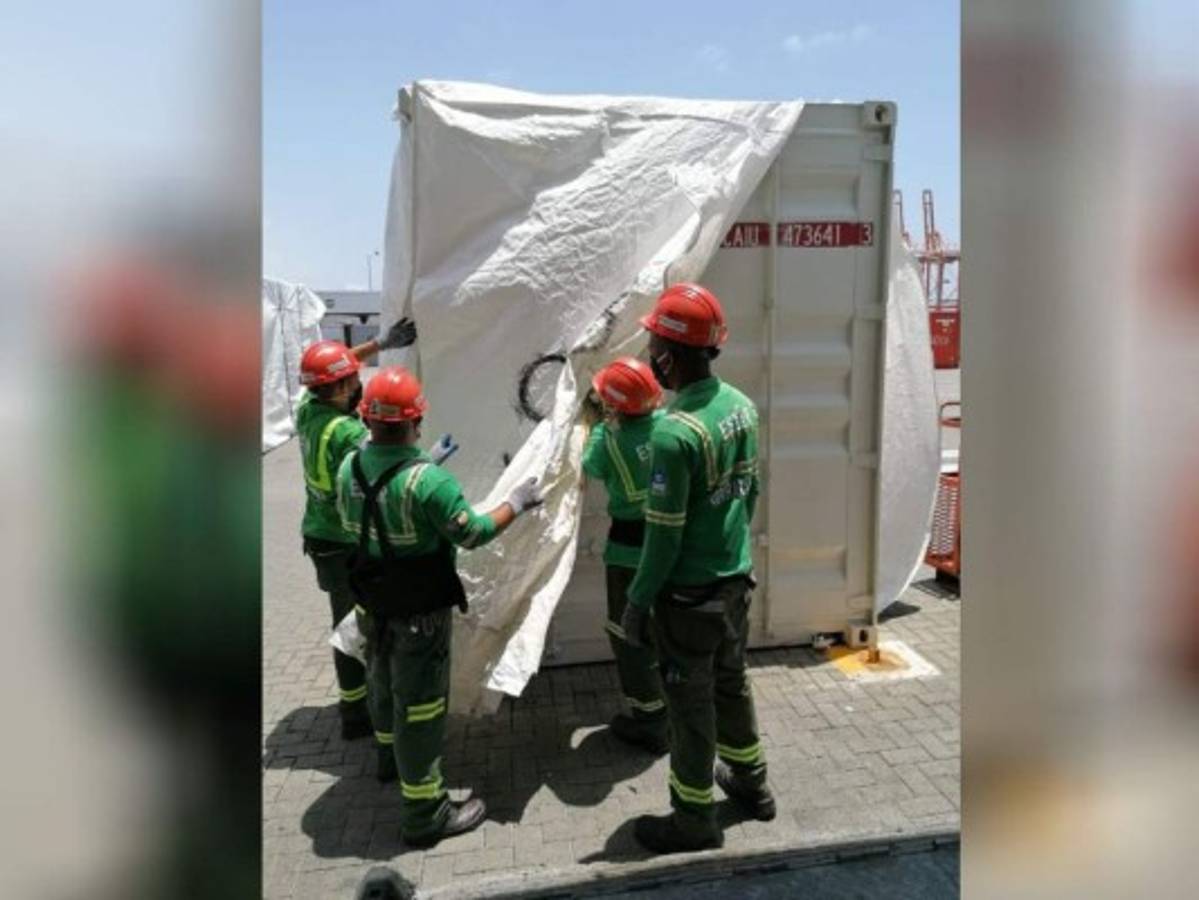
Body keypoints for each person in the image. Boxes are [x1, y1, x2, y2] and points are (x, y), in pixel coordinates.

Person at [336, 366, 543, 847]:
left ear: (368, 419)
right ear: (416, 421)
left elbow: (372, 506)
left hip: (372, 600)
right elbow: (471, 532)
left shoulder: (350, 466)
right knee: (421, 708)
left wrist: (415, 469)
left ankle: (389, 761)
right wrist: (514, 502)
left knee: (382, 684)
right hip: (418, 612)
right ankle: (425, 813)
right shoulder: (429, 484)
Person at [620, 282, 776, 854]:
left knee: (689, 710)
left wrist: (638, 601)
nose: (648, 353)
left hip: (687, 598)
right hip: (735, 582)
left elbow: (663, 537)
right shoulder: (740, 406)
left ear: (669, 353)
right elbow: (750, 491)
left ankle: (691, 820)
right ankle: (752, 787)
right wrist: (727, 549)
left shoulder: (672, 432)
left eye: (654, 341)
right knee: (732, 685)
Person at [296, 320, 452, 740]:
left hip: (319, 536)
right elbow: (378, 474)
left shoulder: (309, 410)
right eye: (352, 381)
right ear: (345, 386)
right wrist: (427, 468)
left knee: (342, 622)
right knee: (354, 629)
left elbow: (332, 371)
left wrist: (379, 344)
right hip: (346, 540)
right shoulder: (347, 433)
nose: (357, 386)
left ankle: (354, 706)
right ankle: (360, 714)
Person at [581, 357, 669, 753]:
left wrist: (597, 422)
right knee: (670, 628)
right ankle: (678, 707)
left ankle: (651, 720)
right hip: (671, 548)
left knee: (629, 633)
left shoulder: (608, 439)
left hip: (628, 555)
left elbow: (589, 466)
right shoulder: (671, 425)